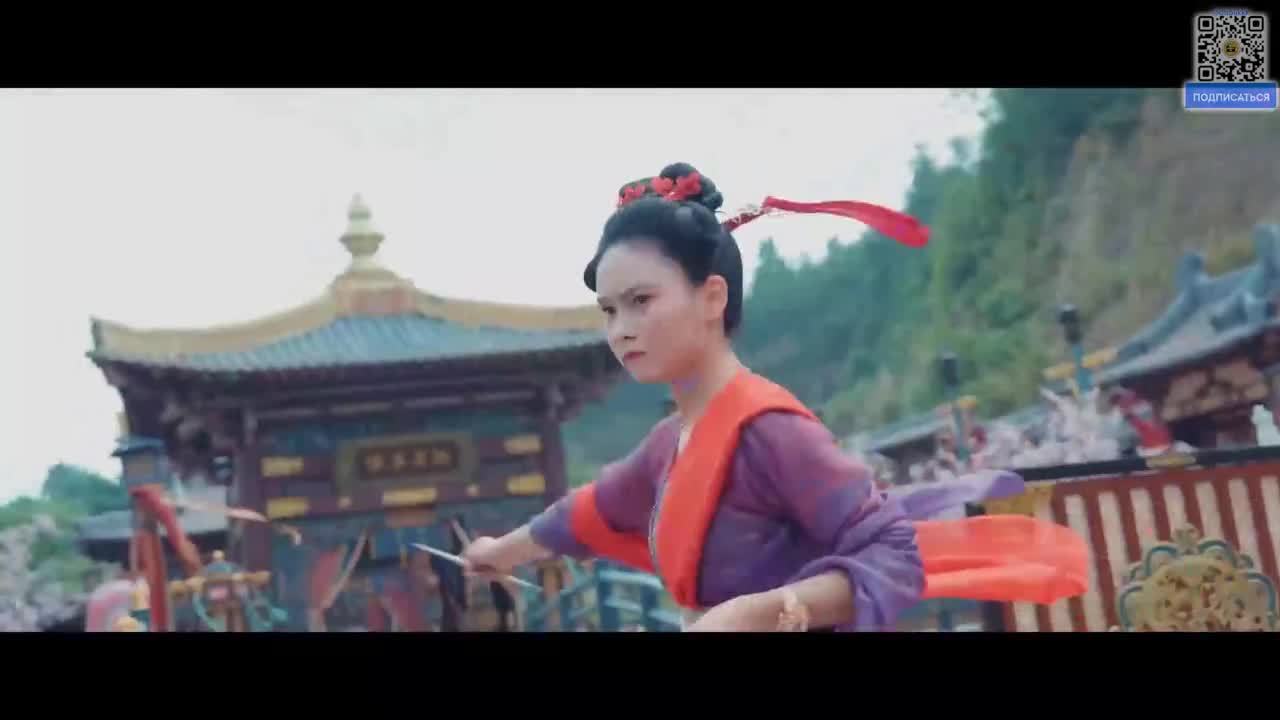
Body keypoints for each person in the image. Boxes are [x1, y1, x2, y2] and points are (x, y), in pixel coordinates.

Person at [461, 162, 1089, 632]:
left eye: (641, 301)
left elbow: (892, 552)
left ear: (712, 297)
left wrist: (760, 611)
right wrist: (498, 553)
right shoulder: (669, 443)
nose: (620, 328)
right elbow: (585, 512)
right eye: (608, 310)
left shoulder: (769, 429)